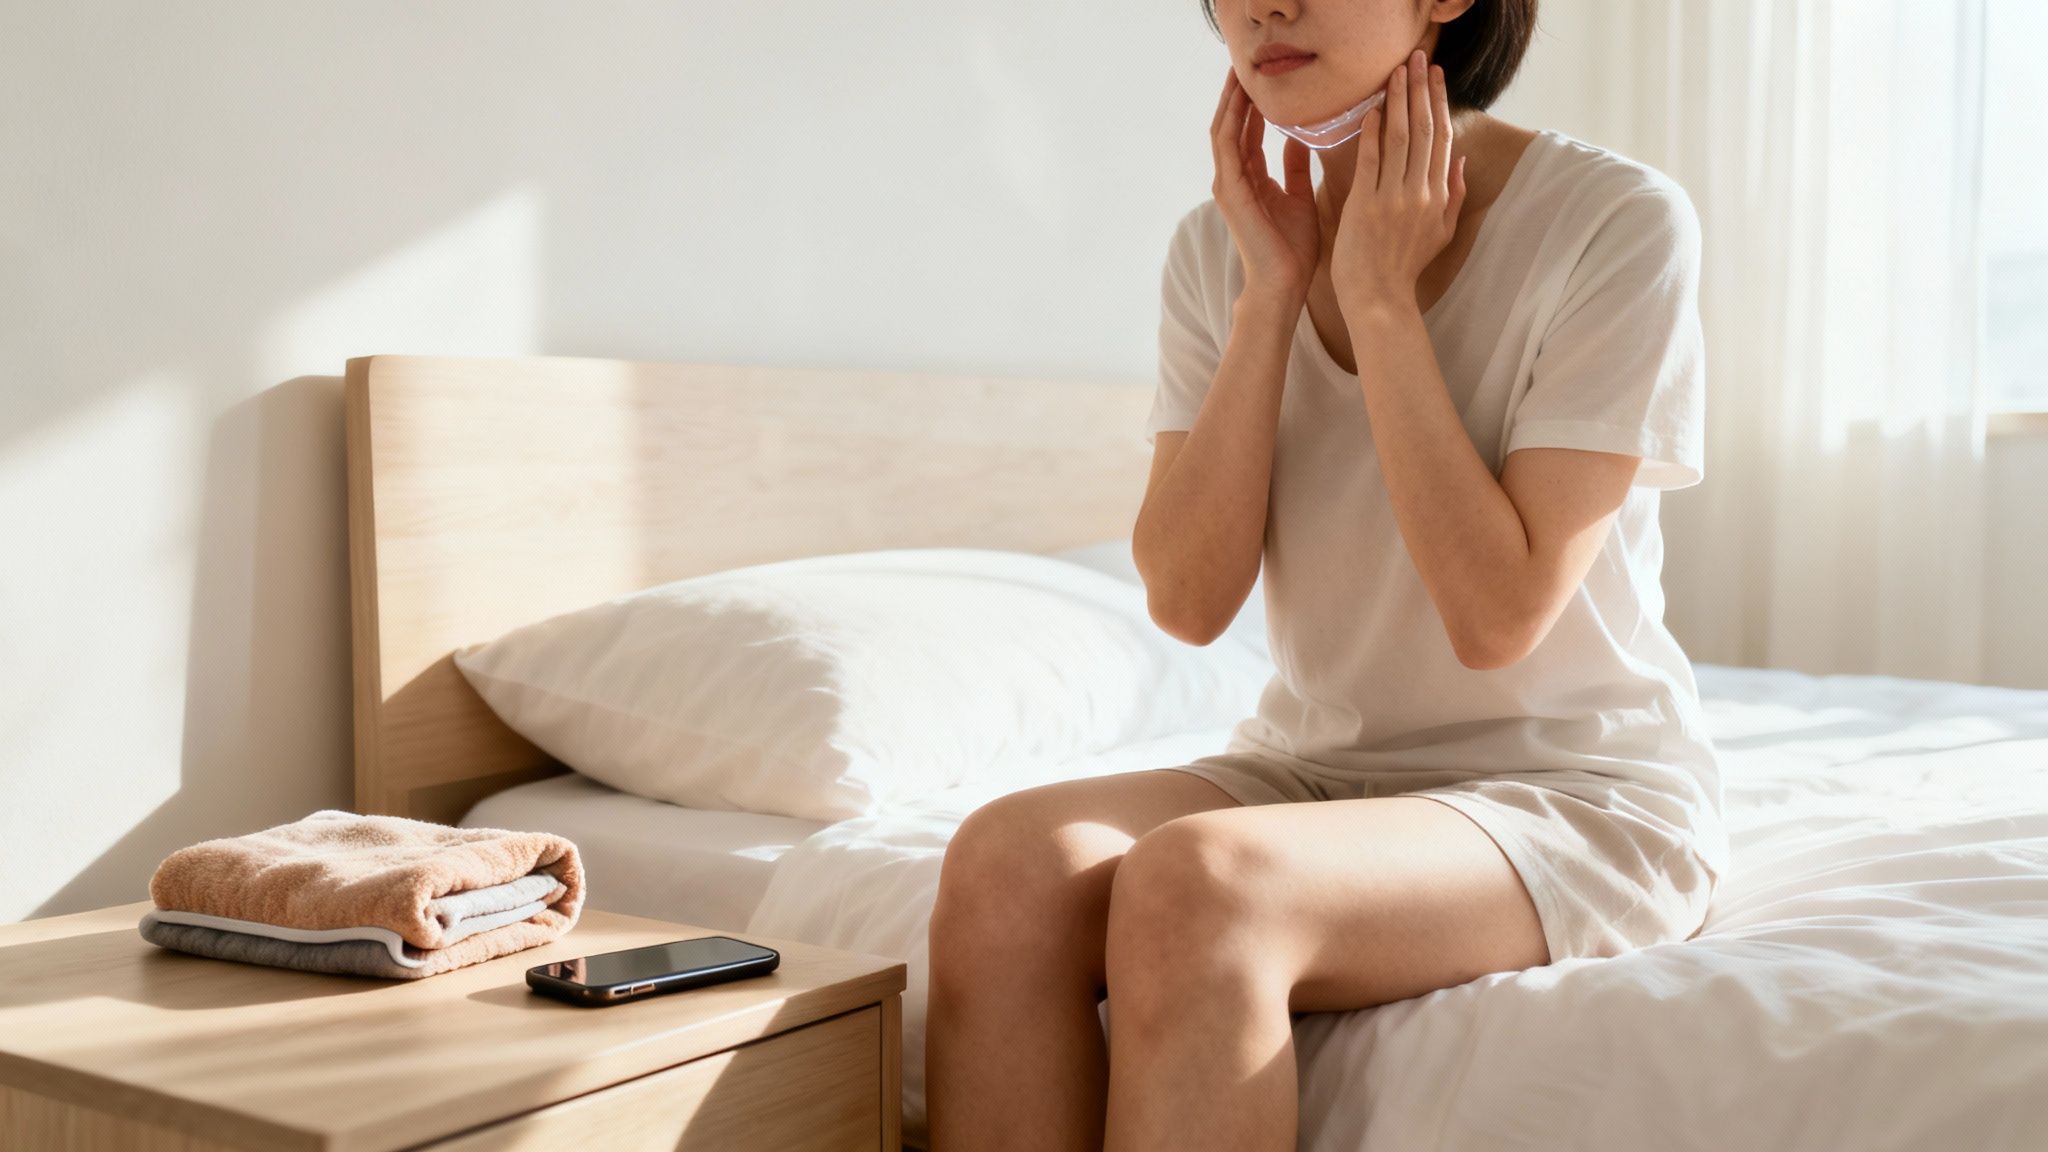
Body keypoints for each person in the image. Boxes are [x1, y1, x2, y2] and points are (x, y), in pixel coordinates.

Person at [925, 1, 1728, 1148]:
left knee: (1199, 884)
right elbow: (1188, 604)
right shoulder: (1218, 250)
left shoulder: (1611, 220)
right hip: (1313, 775)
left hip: (1570, 794)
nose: (1262, 8)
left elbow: (1496, 617)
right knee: (1005, 865)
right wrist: (1270, 291)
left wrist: (1381, 300)